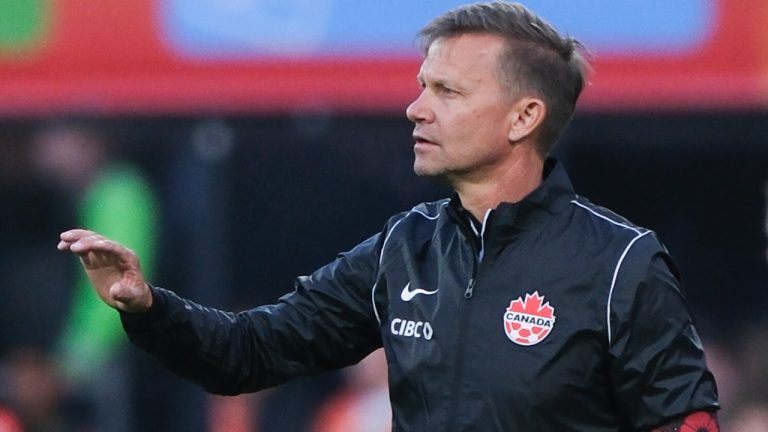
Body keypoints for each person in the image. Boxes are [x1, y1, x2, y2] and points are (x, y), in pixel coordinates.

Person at [57, 2, 720, 430]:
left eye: (447, 91)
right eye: (421, 86)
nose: (416, 108)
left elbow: (686, 424)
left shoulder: (619, 263)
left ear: (524, 117)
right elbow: (249, 353)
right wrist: (148, 307)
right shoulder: (404, 249)